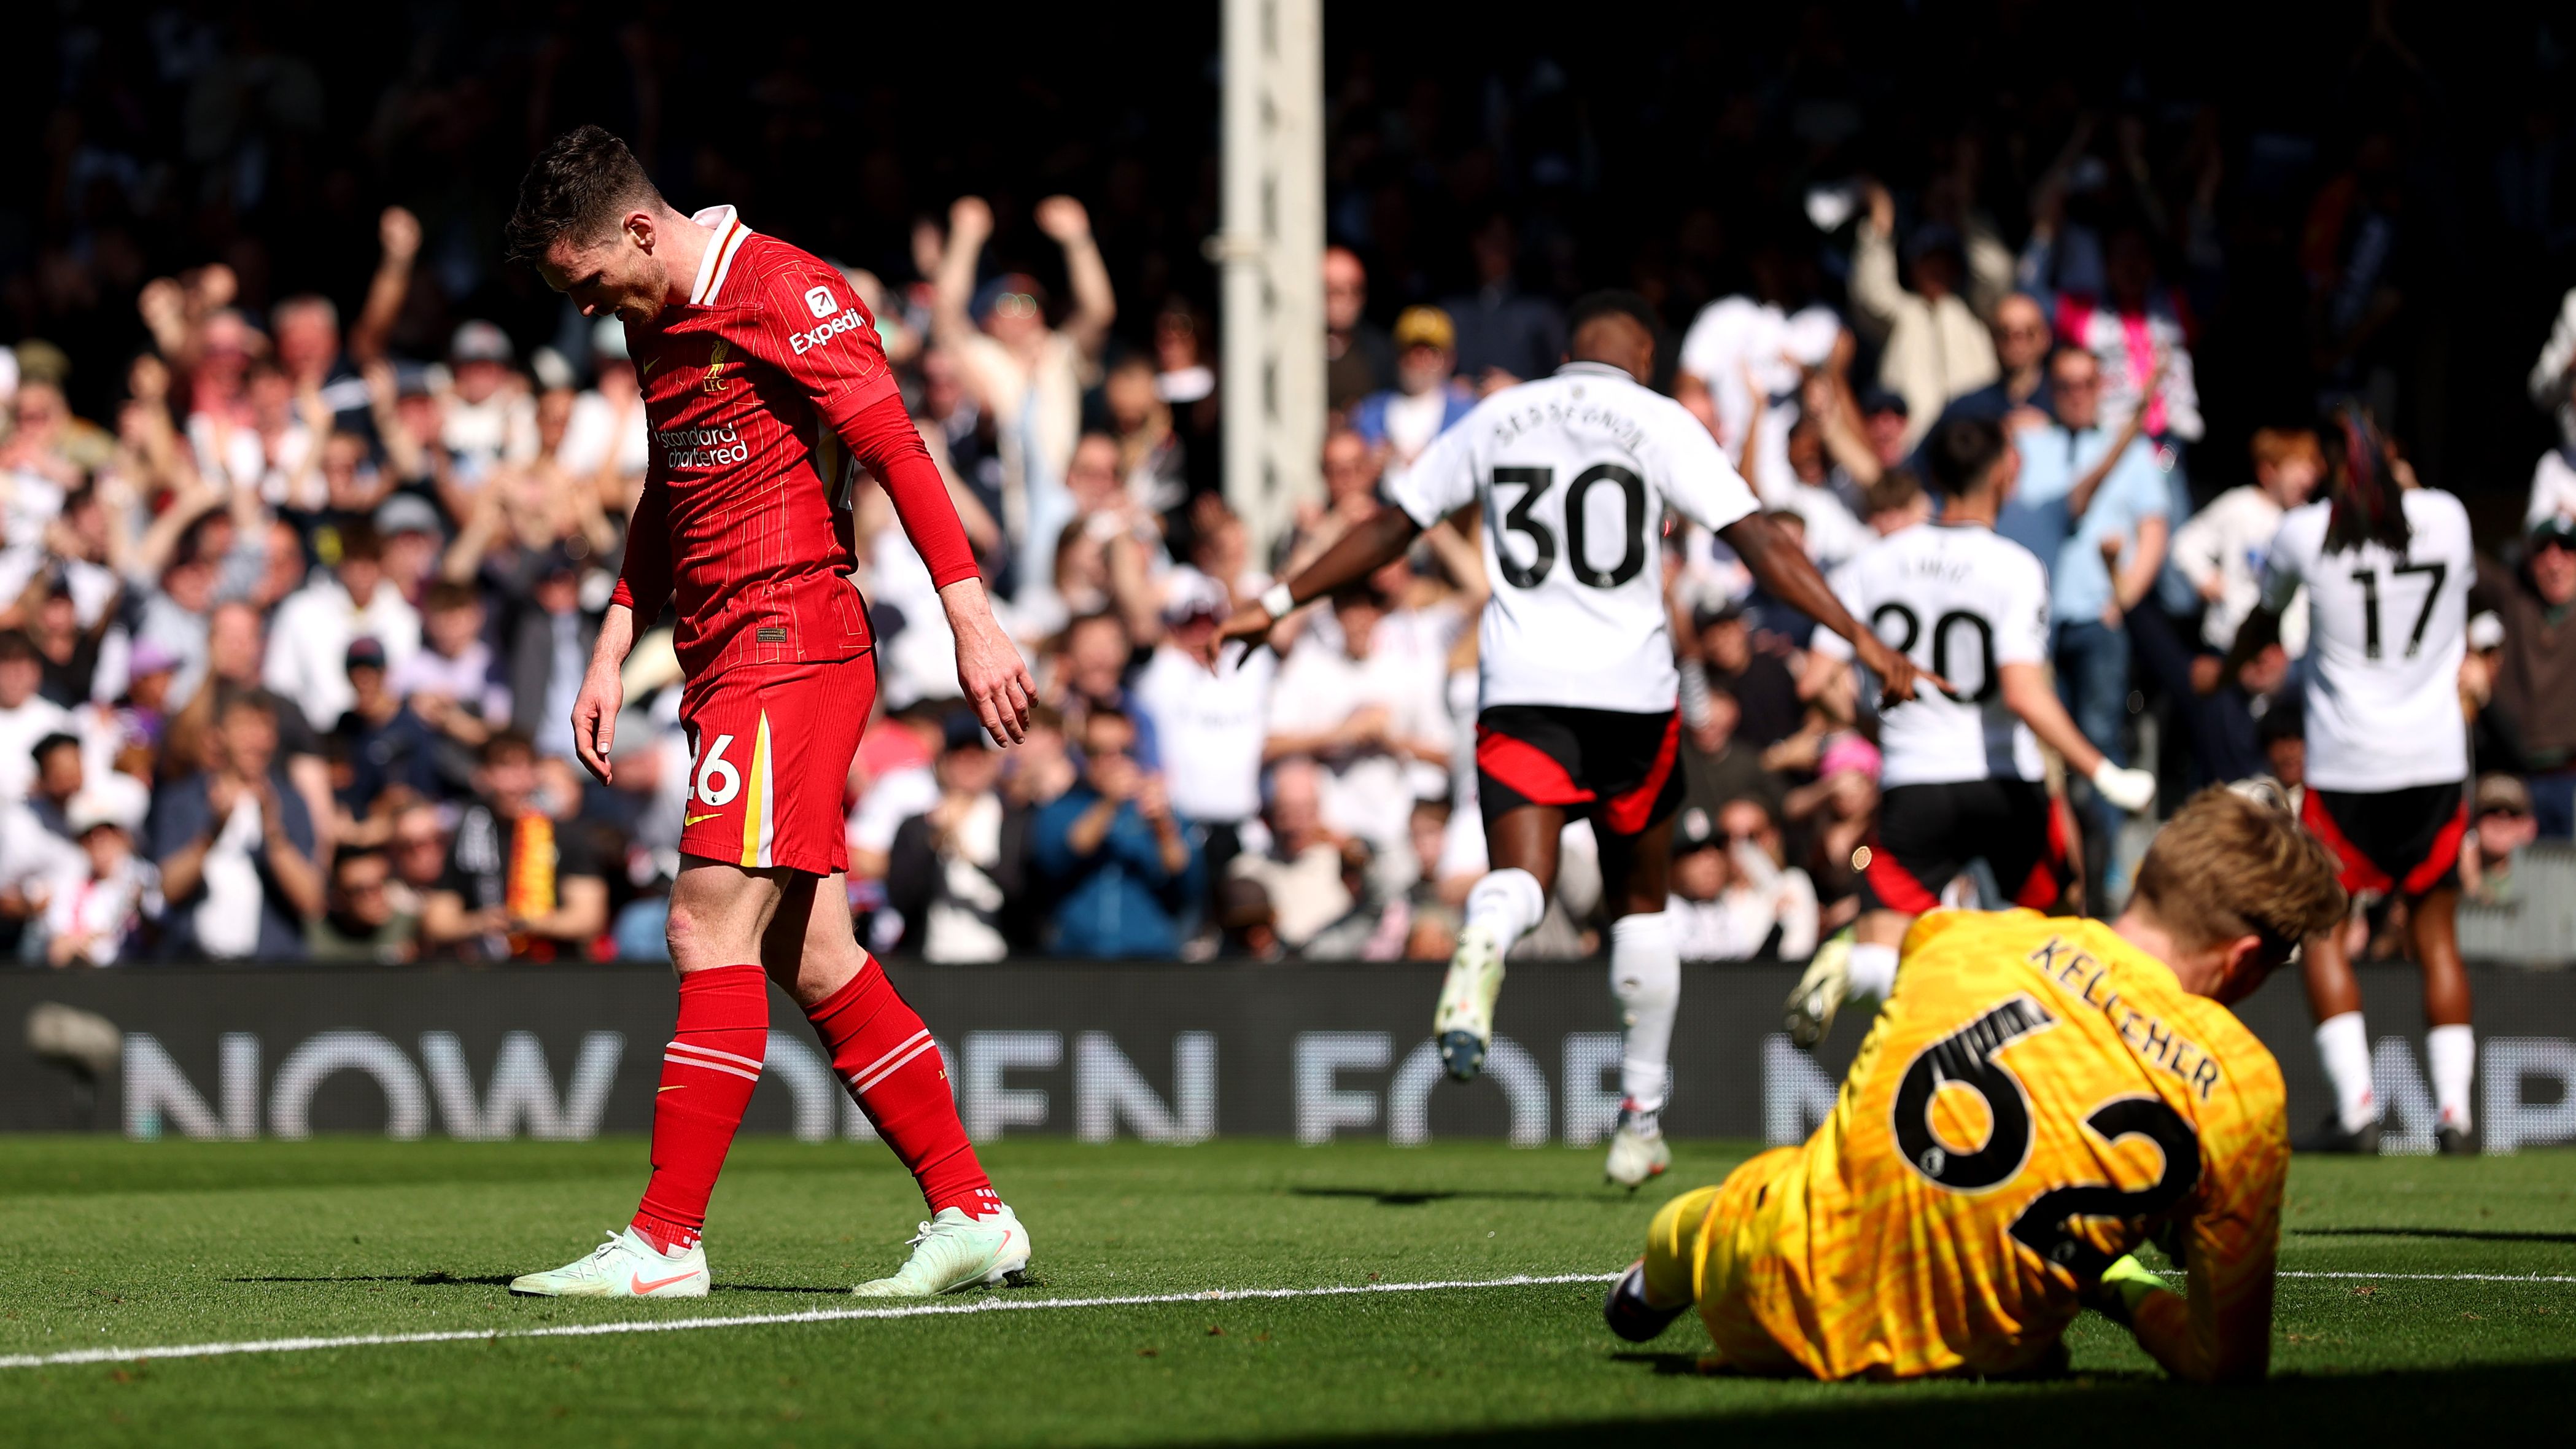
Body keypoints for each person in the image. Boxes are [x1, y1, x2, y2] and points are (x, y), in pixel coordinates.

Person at [1216, 290, 1931, 1189]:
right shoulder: (1656, 418)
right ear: (1638, 349)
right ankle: (1639, 1119)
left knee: (1520, 878)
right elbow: (1758, 542)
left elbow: (1391, 526)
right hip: (1631, 696)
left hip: (1521, 689)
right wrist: (1859, 635)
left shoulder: (1496, 415)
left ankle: (1485, 935)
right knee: (1640, 906)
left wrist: (1276, 601)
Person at [505, 125, 1034, 1299]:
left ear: (638, 230)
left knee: (703, 927)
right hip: (719, 656)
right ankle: (973, 1212)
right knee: (813, 955)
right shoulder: (656, 319)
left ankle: (664, 1241)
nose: (590, 310)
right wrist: (611, 637)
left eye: (589, 281)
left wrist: (973, 619)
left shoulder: (788, 291)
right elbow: (670, 481)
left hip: (789, 642)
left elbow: (894, 444)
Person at [1607, 782, 2345, 1384]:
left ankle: (1656, 1277)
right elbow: (2226, 1370)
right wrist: (2120, 1285)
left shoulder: (1960, 937)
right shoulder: (2242, 1084)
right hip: (1973, 1364)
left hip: (1766, 1294)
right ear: (2246, 958)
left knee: (1757, 1190)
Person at [1785, 417, 2158, 1047]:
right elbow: (2021, 691)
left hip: (1913, 783)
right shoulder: (2014, 565)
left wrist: (1875, 723)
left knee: (1885, 933)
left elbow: (1813, 678)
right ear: (2006, 471)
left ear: (1931, 478)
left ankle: (1852, 969)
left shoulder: (1871, 563)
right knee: (2060, 921)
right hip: (2002, 781)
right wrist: (2099, 768)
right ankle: (2058, 1065)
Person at [2226, 410, 2478, 1154]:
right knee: (2436, 936)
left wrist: (2228, 661)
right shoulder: (2449, 517)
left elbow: (2262, 619)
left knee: (2323, 930)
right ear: (2393, 454)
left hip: (2345, 766)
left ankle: (2358, 1108)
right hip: (2432, 760)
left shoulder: (2305, 532)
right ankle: (2455, 1118)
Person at [149, 693, 324, 960]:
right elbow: (168, 889)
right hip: (195, 968)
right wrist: (212, 833)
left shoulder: (291, 802)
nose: (256, 739)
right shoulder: (183, 800)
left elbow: (311, 900)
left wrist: (274, 833)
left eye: (264, 727)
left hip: (272, 970)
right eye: (244, 727)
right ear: (219, 735)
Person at [419, 732, 608, 962]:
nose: (516, 783)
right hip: (486, 971)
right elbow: (437, 922)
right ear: (483, 776)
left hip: (554, 967)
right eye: (505, 769)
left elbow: (589, 918)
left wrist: (528, 923)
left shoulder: (566, 834)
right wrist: (481, 922)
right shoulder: (465, 835)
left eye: (524, 768)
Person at [1030, 704, 1198, 957]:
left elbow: (1188, 883)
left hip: (1150, 957)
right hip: (1076, 956)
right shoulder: (1059, 809)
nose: (1114, 762)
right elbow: (1059, 858)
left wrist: (1163, 828)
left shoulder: (1162, 811)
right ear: (1084, 757)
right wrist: (1109, 803)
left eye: (1124, 751)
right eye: (1099, 752)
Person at [2171, 428, 2322, 656]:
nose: (2308, 477)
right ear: (2269, 470)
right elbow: (2185, 543)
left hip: (2286, 654)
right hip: (2230, 644)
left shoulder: (2309, 521)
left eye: (2312, 469)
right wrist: (2205, 578)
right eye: (2298, 466)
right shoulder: (2240, 506)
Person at [1351, 307, 1475, 469]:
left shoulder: (1466, 413)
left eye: (1431, 354)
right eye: (1411, 352)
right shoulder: (1368, 413)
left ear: (1449, 359)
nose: (1419, 362)